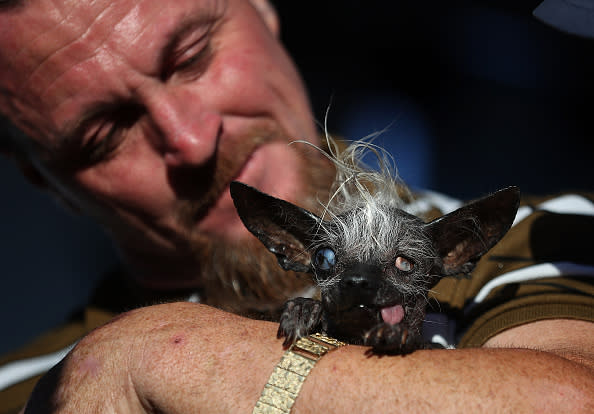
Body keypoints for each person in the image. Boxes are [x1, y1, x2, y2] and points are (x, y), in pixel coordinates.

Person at [0, 0, 592, 413]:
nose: (189, 139)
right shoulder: (16, 390)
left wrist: (145, 357)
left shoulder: (547, 244)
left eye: (192, 55)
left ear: (262, 8)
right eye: (105, 135)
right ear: (47, 182)